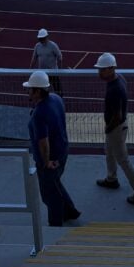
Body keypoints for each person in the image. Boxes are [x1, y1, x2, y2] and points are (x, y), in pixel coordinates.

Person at [23, 70, 80, 227]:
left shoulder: (39, 114)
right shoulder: (56, 99)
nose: (28, 91)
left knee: (49, 194)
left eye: (30, 89)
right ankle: (70, 211)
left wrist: (46, 161)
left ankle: (55, 224)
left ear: (38, 91)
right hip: (62, 152)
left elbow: (43, 142)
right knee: (55, 183)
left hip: (50, 160)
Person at [93, 52, 134, 205]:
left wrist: (108, 128)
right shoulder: (120, 79)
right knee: (109, 151)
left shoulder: (114, 89)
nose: (99, 72)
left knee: (123, 160)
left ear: (111, 69)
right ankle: (111, 178)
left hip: (116, 128)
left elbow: (117, 115)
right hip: (118, 127)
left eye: (102, 69)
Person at [31, 28, 64, 95]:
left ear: (46, 37)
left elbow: (60, 57)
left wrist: (60, 70)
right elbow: (34, 58)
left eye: (42, 38)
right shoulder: (37, 46)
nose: (41, 40)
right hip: (42, 73)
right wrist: (30, 69)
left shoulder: (53, 46)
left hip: (53, 72)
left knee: (58, 90)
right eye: (40, 38)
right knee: (42, 91)